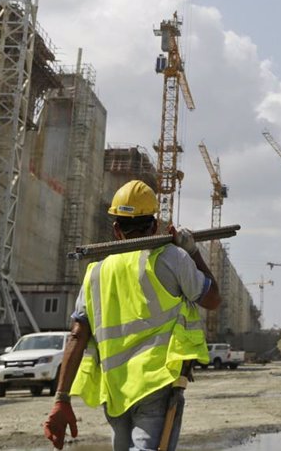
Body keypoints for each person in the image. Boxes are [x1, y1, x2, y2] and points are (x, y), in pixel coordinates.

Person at [44, 179, 220, 451]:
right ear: (154, 225)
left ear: (116, 230)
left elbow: (77, 336)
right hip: (156, 382)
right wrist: (193, 251)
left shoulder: (95, 273)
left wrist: (61, 398)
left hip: (115, 388)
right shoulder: (172, 258)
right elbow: (212, 298)